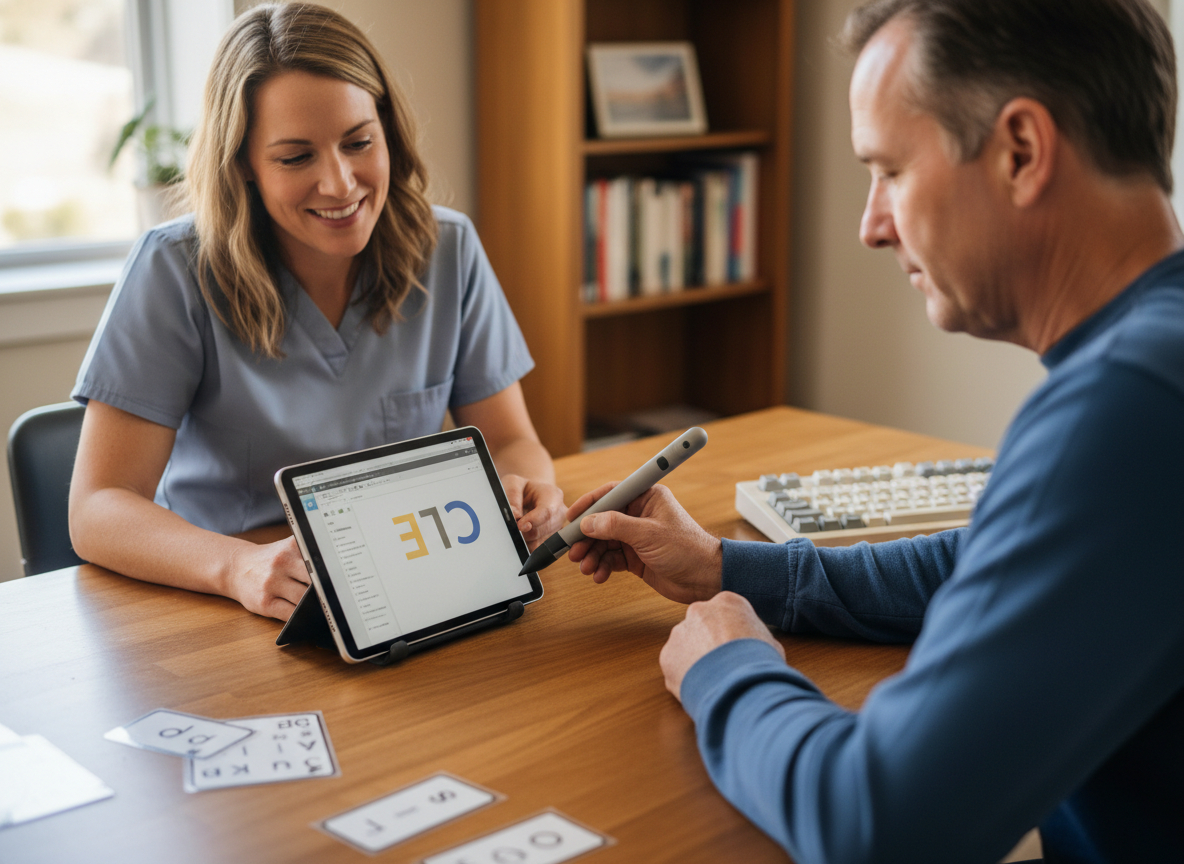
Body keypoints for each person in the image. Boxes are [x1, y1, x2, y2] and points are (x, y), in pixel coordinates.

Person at [568, 1, 1184, 862]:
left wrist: (729, 666)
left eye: (889, 170)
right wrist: (724, 567)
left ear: (1021, 151)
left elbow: (880, 823)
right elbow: (982, 562)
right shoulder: (1154, 363)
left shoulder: (1124, 408)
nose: (870, 224)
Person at [68, 3, 564, 622]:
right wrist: (236, 567)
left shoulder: (449, 248)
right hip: (231, 606)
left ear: (389, 131)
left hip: (413, 590)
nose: (339, 183)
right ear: (244, 164)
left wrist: (518, 489)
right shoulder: (174, 270)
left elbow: (512, 439)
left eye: (359, 142)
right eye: (295, 157)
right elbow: (98, 507)